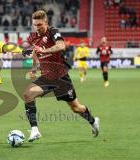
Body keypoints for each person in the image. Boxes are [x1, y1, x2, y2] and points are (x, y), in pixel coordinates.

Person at [22, 10, 100, 142]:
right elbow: (35, 52)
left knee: (76, 108)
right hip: (47, 76)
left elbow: (61, 45)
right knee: (27, 94)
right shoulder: (33, 37)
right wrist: (34, 69)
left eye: (39, 25)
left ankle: (93, 121)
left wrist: (44, 50)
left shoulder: (53, 31)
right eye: (35, 25)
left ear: (46, 22)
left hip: (60, 76)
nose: (37, 28)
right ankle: (35, 130)